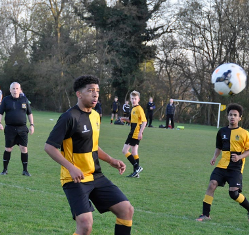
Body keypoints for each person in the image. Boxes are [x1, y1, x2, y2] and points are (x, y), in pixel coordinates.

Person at [44, 75, 134, 235]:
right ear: (79, 94)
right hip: (75, 179)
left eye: (97, 91)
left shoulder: (95, 115)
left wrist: (110, 160)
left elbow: (92, 146)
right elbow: (49, 147)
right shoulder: (69, 117)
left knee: (126, 210)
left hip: (95, 176)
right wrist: (71, 168)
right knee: (85, 225)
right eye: (90, 91)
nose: (95, 94)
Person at [196, 103, 249, 222]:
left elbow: (248, 150)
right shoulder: (222, 131)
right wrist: (214, 157)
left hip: (235, 167)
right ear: (227, 116)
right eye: (230, 115)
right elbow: (219, 146)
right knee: (212, 184)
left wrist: (240, 157)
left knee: (234, 194)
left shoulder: (244, 133)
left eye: (235, 115)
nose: (232, 117)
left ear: (240, 118)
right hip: (222, 165)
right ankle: (205, 214)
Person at [0, 82, 34, 176]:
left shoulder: (24, 99)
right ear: (10, 90)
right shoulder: (6, 100)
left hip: (22, 129)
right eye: (13, 89)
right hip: (10, 128)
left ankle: (25, 170)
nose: (15, 90)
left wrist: (32, 125)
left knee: (24, 148)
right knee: (8, 148)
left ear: (20, 89)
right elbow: (1, 113)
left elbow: (29, 113)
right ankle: (4, 170)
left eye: (16, 88)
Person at [120, 91, 147, 178]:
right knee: (134, 152)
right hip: (133, 132)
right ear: (130, 99)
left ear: (138, 99)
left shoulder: (139, 109)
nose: (133, 100)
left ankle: (137, 167)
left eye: (135, 99)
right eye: (132, 98)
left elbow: (144, 121)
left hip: (135, 133)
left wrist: (140, 133)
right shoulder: (133, 109)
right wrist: (124, 119)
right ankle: (136, 173)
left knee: (124, 151)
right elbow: (131, 120)